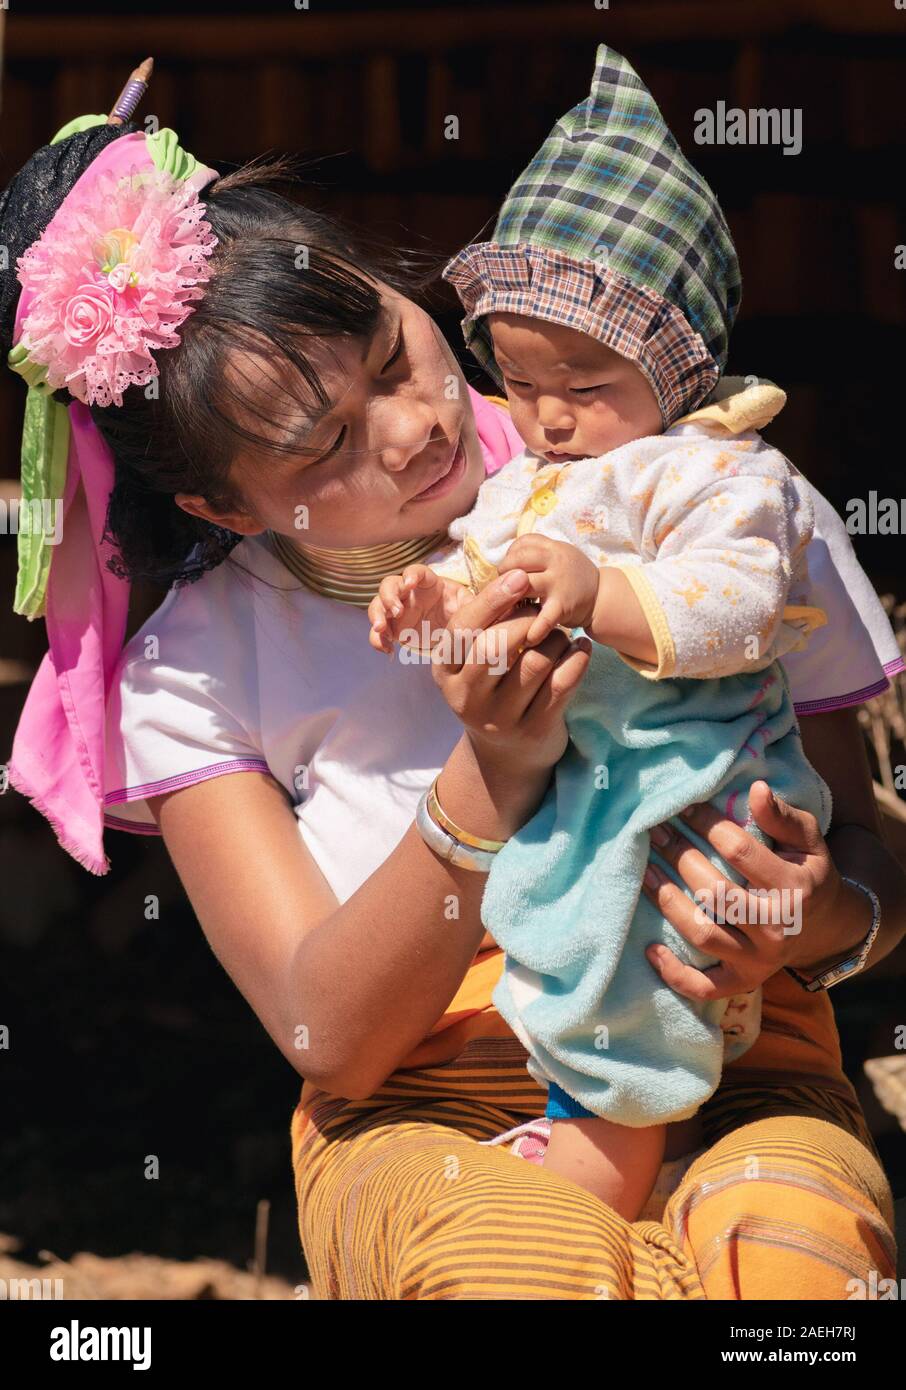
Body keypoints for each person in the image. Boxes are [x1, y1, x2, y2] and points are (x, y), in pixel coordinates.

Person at [2, 83, 902, 1301]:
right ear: (221, 504)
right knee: (518, 1269)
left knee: (792, 1266)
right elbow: (331, 1038)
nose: (416, 425)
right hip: (423, 1115)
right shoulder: (200, 670)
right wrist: (491, 777)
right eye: (322, 447)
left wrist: (821, 915)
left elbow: (876, 858)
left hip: (750, 1064)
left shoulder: (689, 488)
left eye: (391, 350)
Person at [365, 45, 835, 1218]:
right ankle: (603, 1124)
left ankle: (605, 1159)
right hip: (592, 786)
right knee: (573, 950)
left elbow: (736, 607)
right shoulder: (528, 481)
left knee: (646, 966)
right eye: (520, 382)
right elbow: (484, 604)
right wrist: (431, 609)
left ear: (675, 362)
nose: (550, 414)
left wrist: (600, 593)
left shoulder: (715, 468)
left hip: (700, 779)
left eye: (584, 378)